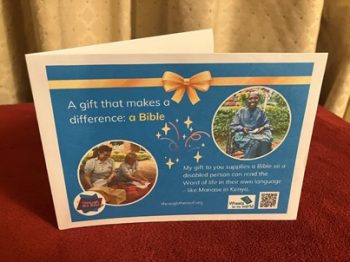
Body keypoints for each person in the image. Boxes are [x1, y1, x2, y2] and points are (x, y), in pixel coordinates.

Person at [230, 91, 272, 159]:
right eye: (250, 98)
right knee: (254, 144)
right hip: (243, 135)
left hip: (258, 135)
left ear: (258, 99)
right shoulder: (241, 111)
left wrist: (261, 128)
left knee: (265, 143)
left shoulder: (261, 112)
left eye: (255, 98)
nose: (253, 100)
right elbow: (233, 125)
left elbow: (268, 124)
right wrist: (242, 128)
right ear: (247, 100)